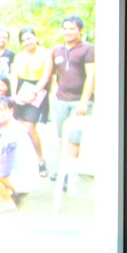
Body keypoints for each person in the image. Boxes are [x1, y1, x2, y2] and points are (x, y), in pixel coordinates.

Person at [50, 15, 95, 180]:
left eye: (72, 28)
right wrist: (54, 93)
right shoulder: (57, 50)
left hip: (79, 101)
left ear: (80, 30)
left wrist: (84, 102)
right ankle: (64, 169)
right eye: (66, 28)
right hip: (61, 100)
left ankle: (69, 175)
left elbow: (91, 76)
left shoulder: (88, 49)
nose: (68, 32)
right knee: (63, 136)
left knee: (74, 137)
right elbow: (54, 74)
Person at [11, 26, 53, 177]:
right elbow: (14, 75)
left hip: (37, 89)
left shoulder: (46, 53)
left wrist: (33, 93)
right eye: (23, 40)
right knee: (18, 126)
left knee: (29, 128)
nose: (27, 42)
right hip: (20, 89)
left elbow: (46, 76)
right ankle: (22, 161)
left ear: (35, 37)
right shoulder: (19, 55)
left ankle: (40, 160)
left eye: (29, 38)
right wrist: (14, 94)